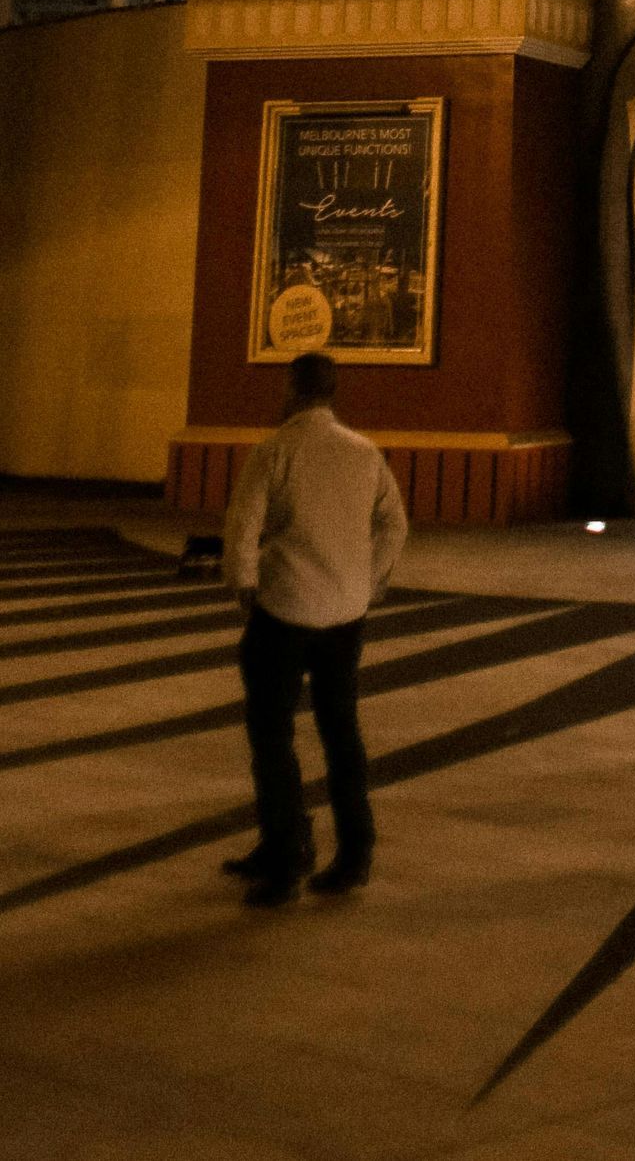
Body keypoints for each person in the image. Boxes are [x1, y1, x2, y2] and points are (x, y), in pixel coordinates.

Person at [221, 352, 408, 906]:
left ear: (291, 388)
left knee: (272, 734)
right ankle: (354, 852)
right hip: (345, 616)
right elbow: (394, 522)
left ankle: (285, 853)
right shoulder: (363, 452)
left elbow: (243, 524)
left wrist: (244, 584)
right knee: (341, 731)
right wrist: (368, 580)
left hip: (283, 610)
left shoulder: (275, 450)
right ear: (333, 391)